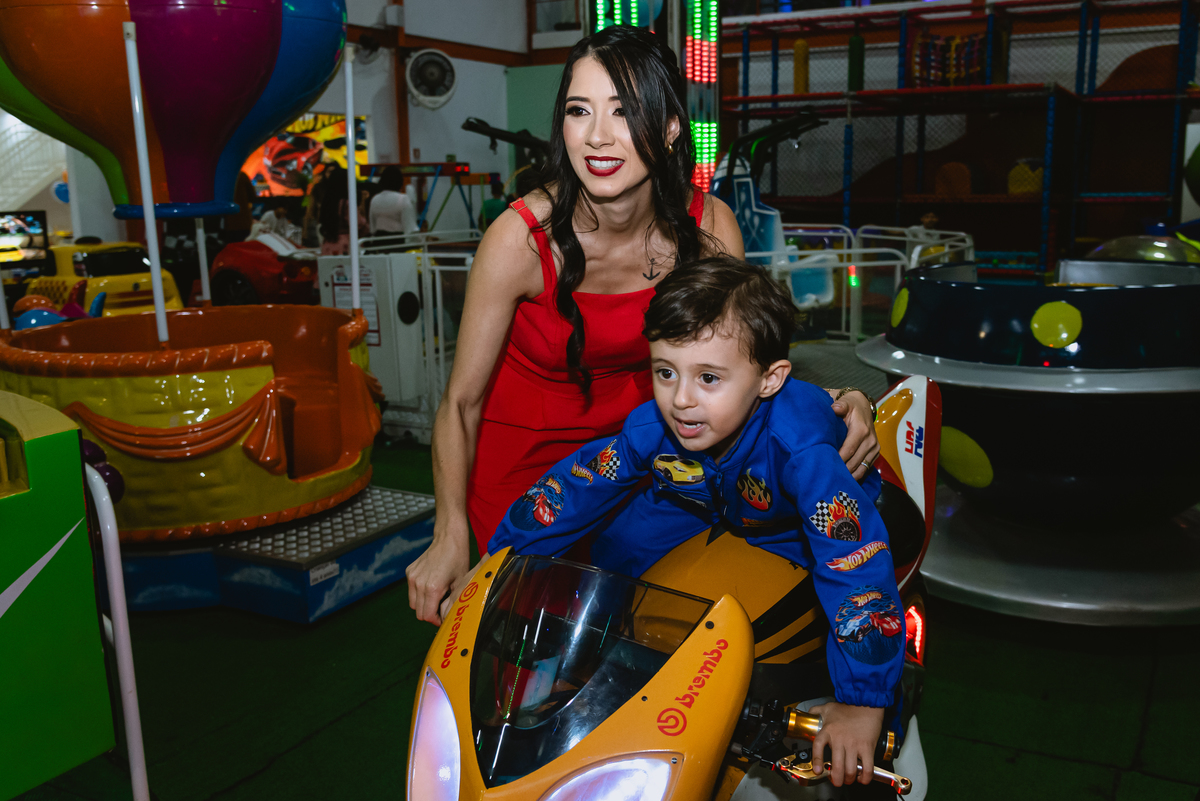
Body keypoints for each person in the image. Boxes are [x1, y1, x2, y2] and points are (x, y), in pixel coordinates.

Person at [404, 25, 879, 626]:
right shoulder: (520, 240)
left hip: (652, 445)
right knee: (531, 645)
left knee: (643, 637)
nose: (598, 136)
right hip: (527, 463)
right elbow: (460, 403)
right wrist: (449, 533)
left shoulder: (709, 230)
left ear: (672, 127)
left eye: (625, 111)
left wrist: (839, 402)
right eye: (580, 110)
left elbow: (747, 365)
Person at [454, 256, 900, 789]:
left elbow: (853, 564)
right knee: (618, 544)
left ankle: (878, 724)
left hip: (790, 525)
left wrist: (863, 704)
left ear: (770, 379)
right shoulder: (656, 427)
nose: (681, 400)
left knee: (834, 601)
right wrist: (498, 560)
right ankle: (585, 662)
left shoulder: (802, 453)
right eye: (665, 371)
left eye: (708, 377)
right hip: (699, 501)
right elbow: (575, 487)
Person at [368, 166, 417, 240]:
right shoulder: (403, 199)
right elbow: (410, 229)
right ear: (400, 182)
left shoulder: (374, 200)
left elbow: (372, 228)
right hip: (399, 244)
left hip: (378, 244)